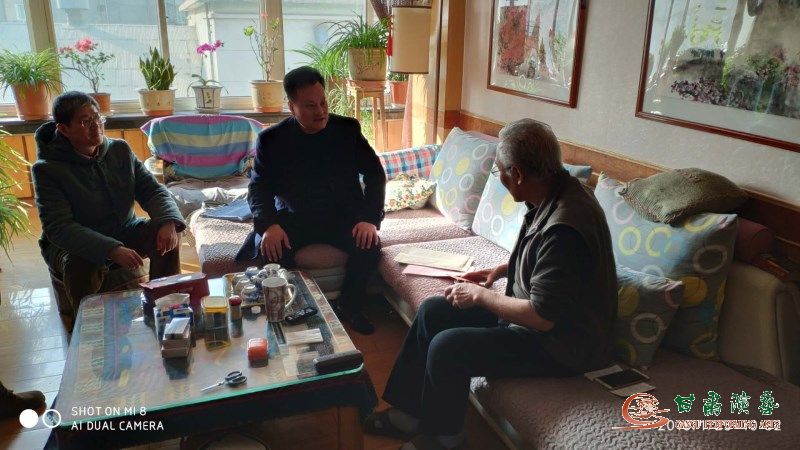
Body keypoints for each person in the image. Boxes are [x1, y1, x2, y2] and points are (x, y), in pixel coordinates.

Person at [364, 119, 618, 450]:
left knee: (448, 347)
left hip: (562, 346)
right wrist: (499, 271)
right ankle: (410, 413)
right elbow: (549, 264)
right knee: (433, 311)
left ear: (519, 174)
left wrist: (480, 296)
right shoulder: (557, 191)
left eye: (499, 170)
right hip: (538, 323)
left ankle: (446, 438)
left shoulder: (565, 227)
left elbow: (542, 317)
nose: (498, 176)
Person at [236, 66, 386, 335]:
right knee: (271, 250)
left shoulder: (347, 130)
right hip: (296, 217)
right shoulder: (272, 140)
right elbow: (259, 187)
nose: (320, 111)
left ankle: (349, 306)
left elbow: (375, 174)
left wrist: (369, 219)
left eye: (323, 102)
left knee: (369, 244)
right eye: (310, 105)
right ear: (292, 107)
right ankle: (292, 309)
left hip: (343, 216)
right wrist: (269, 225)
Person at [32, 91, 185, 330]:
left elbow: (152, 190)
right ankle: (90, 329)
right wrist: (111, 249)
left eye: (97, 118)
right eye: (85, 122)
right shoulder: (47, 169)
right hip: (70, 244)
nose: (96, 126)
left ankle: (163, 305)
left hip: (123, 229)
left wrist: (167, 222)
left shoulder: (119, 150)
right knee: (81, 262)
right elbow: (59, 227)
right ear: (63, 129)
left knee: (167, 234)